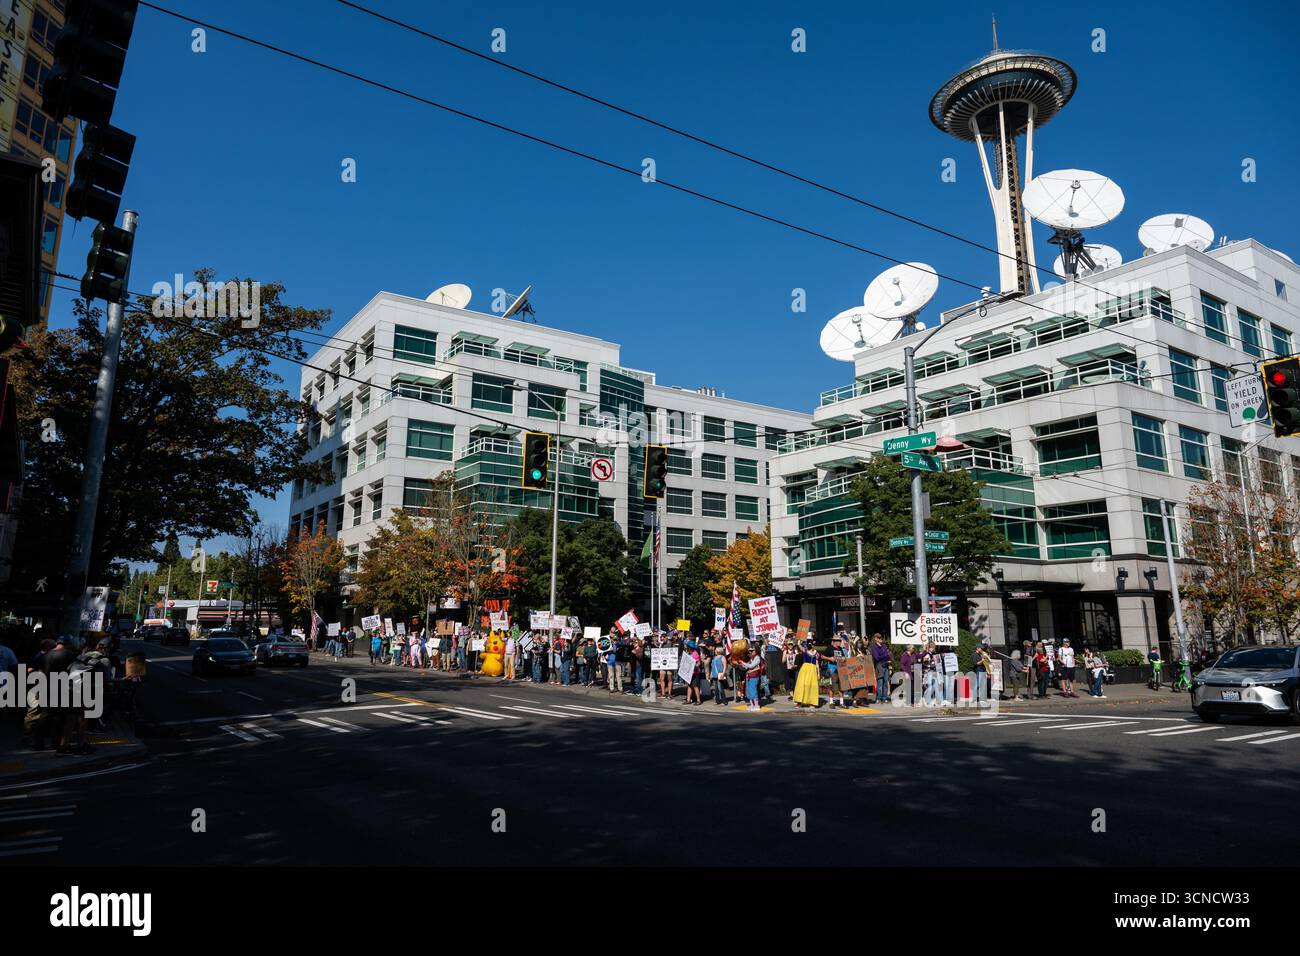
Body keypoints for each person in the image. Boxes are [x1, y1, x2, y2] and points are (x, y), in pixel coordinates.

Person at [792, 642, 820, 708]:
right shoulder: (805, 651)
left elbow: (817, 663)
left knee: (812, 686)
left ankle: (812, 703)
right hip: (805, 670)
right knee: (802, 685)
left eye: (812, 644)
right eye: (810, 644)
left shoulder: (816, 653)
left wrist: (818, 673)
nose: (811, 645)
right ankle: (799, 702)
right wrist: (799, 641)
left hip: (813, 670)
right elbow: (799, 645)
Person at [869, 634, 892, 705]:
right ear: (876, 639)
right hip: (879, 666)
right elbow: (876, 657)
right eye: (879, 638)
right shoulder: (874, 647)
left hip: (886, 665)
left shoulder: (883, 646)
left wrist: (885, 657)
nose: (881, 639)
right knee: (880, 683)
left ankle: (884, 698)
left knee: (886, 682)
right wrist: (885, 656)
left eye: (881, 638)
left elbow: (888, 656)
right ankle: (878, 698)